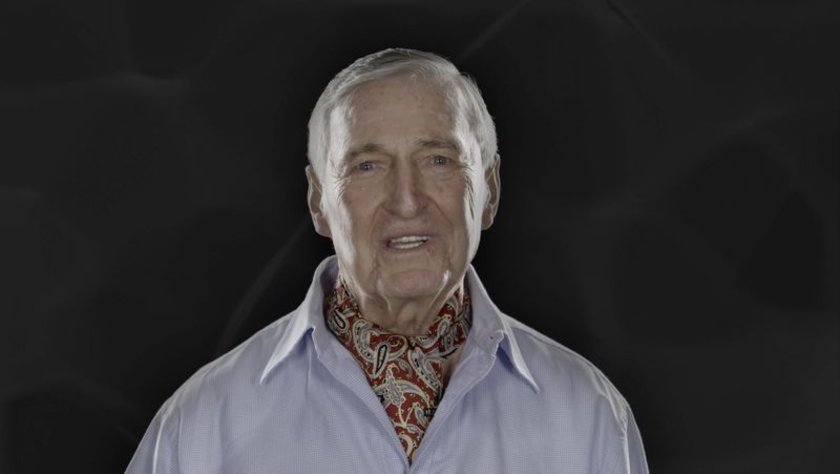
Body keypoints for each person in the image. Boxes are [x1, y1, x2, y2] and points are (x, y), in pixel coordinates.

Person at [126, 48, 648, 473]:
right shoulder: (199, 427)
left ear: (488, 191)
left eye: (438, 160)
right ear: (318, 201)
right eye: (367, 165)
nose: (406, 200)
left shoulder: (590, 417)